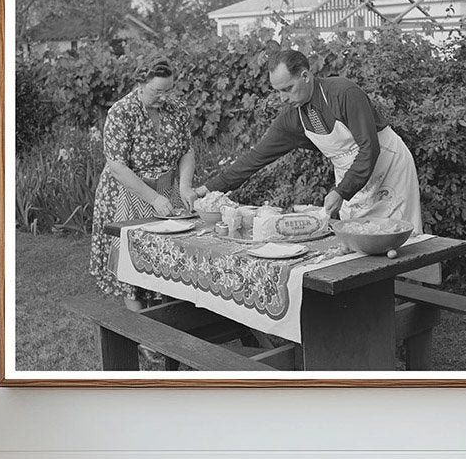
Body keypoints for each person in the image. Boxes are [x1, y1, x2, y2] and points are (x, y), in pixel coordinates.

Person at [194, 48, 422, 233]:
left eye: (288, 89)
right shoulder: (292, 118)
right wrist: (206, 189)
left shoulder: (344, 93)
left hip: (389, 168)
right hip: (352, 182)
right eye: (278, 92)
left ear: (305, 76)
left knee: (400, 239)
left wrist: (341, 191)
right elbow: (255, 158)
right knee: (360, 242)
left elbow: (369, 149)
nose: (283, 98)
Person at [90, 58, 197, 310]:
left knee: (167, 261)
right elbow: (117, 166)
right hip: (127, 194)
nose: (164, 97)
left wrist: (184, 186)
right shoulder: (121, 112)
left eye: (168, 90)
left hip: (166, 190)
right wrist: (154, 199)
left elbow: (187, 151)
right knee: (132, 268)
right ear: (140, 84)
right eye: (157, 91)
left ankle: (169, 325)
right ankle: (144, 342)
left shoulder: (177, 109)